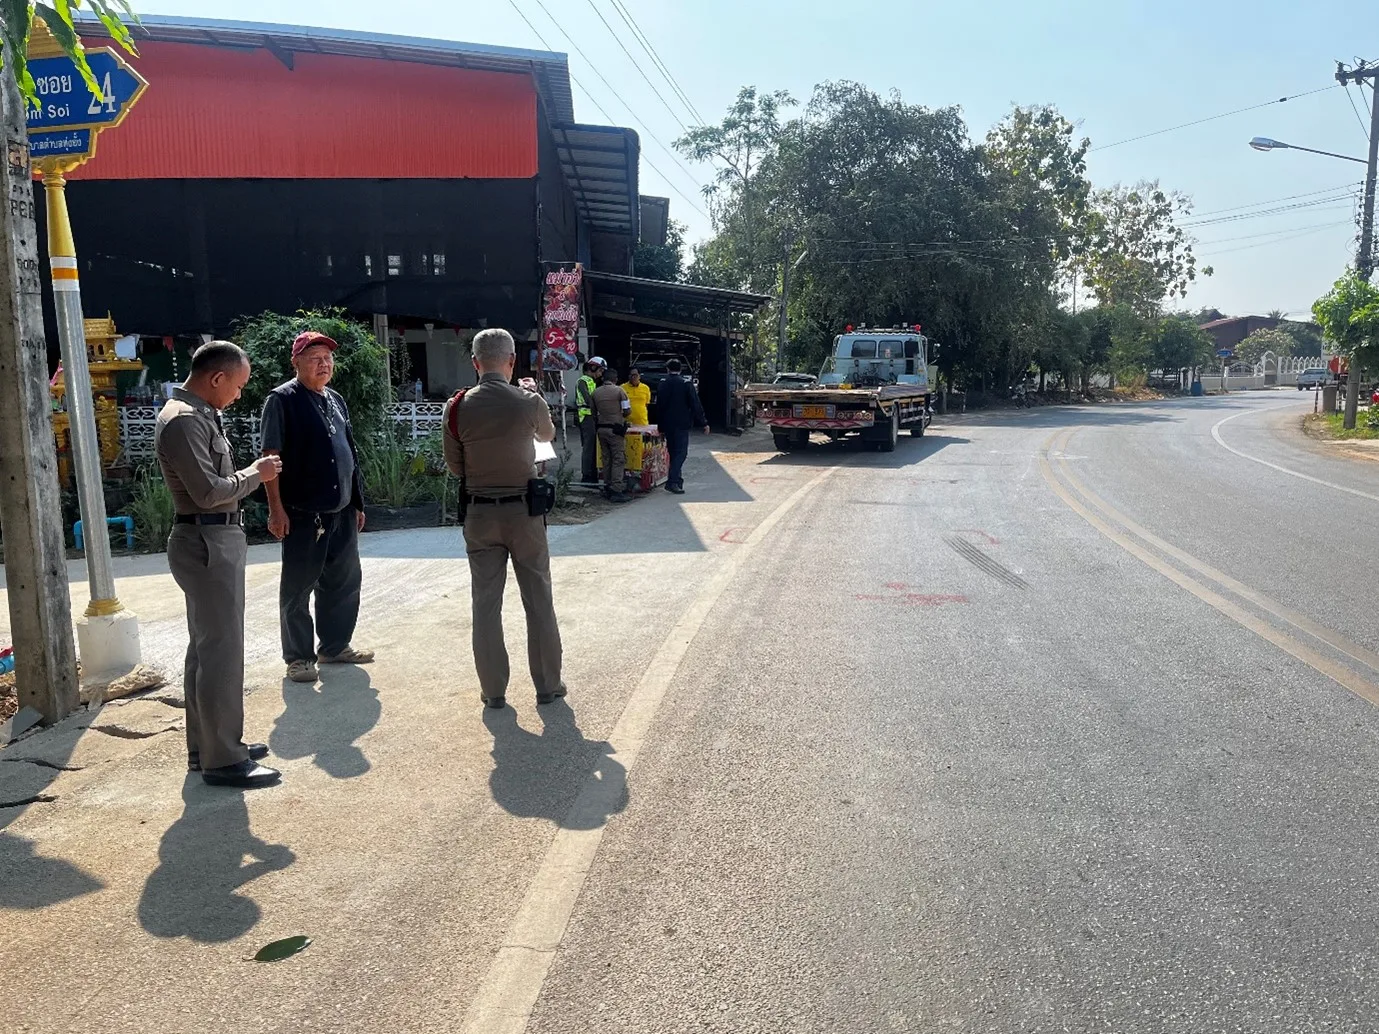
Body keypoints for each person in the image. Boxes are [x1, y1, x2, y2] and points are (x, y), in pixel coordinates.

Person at [155, 341, 284, 789]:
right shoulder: (184, 420)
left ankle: (210, 746)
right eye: (238, 385)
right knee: (221, 654)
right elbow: (209, 492)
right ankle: (223, 759)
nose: (239, 394)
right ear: (217, 378)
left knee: (207, 651)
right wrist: (256, 474)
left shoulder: (197, 414)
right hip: (206, 540)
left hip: (212, 538)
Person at [442, 328, 567, 710]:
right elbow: (547, 434)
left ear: (475, 363)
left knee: (485, 604)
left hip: (480, 514)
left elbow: (456, 467)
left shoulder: (457, 407)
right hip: (524, 513)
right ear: (512, 360)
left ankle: (494, 690)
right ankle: (547, 686)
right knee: (538, 599)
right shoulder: (528, 402)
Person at [260, 331, 374, 685]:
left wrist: (356, 502)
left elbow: (350, 453)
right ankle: (298, 658)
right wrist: (276, 509)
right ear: (296, 363)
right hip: (303, 512)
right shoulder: (282, 400)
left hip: (341, 510)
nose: (324, 364)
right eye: (315, 359)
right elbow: (270, 457)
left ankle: (334, 646)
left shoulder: (335, 398)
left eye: (328, 358)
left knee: (343, 581)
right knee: (298, 588)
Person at [655, 358, 710, 494]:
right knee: (681, 453)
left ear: (668, 369)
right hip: (681, 424)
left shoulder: (663, 383)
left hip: (667, 424)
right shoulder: (686, 384)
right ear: (680, 369)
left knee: (674, 453)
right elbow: (695, 404)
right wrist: (703, 422)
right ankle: (672, 481)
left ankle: (677, 481)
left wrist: (660, 425)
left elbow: (659, 405)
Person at [593, 367, 632, 503]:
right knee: (618, 459)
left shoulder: (595, 392)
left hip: (601, 429)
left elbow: (593, 412)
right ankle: (616, 489)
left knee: (606, 458)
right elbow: (627, 411)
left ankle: (607, 486)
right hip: (615, 430)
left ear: (603, 378)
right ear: (615, 379)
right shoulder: (620, 391)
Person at [575, 358, 605, 485]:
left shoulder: (591, 381)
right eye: (600, 370)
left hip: (591, 416)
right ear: (593, 368)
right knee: (588, 446)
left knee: (593, 446)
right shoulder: (582, 381)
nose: (601, 374)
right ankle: (587, 474)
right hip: (586, 416)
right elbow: (588, 399)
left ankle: (592, 472)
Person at [620, 366, 652, 482]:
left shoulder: (645, 388)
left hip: (642, 423)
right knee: (628, 448)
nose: (633, 377)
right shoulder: (622, 388)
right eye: (631, 375)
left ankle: (642, 474)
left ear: (639, 376)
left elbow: (646, 404)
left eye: (635, 375)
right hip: (627, 424)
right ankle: (627, 472)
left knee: (642, 450)